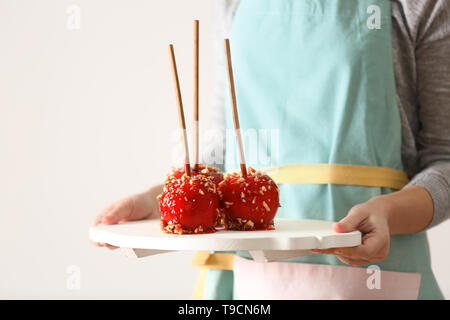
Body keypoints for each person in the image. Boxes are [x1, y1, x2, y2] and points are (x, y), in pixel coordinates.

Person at [91, 0, 450, 299]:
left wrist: (387, 211)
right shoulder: (235, 5)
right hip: (248, 277)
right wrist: (160, 199)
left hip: (373, 275)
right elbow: (225, 155)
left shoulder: (417, 5)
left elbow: (444, 159)